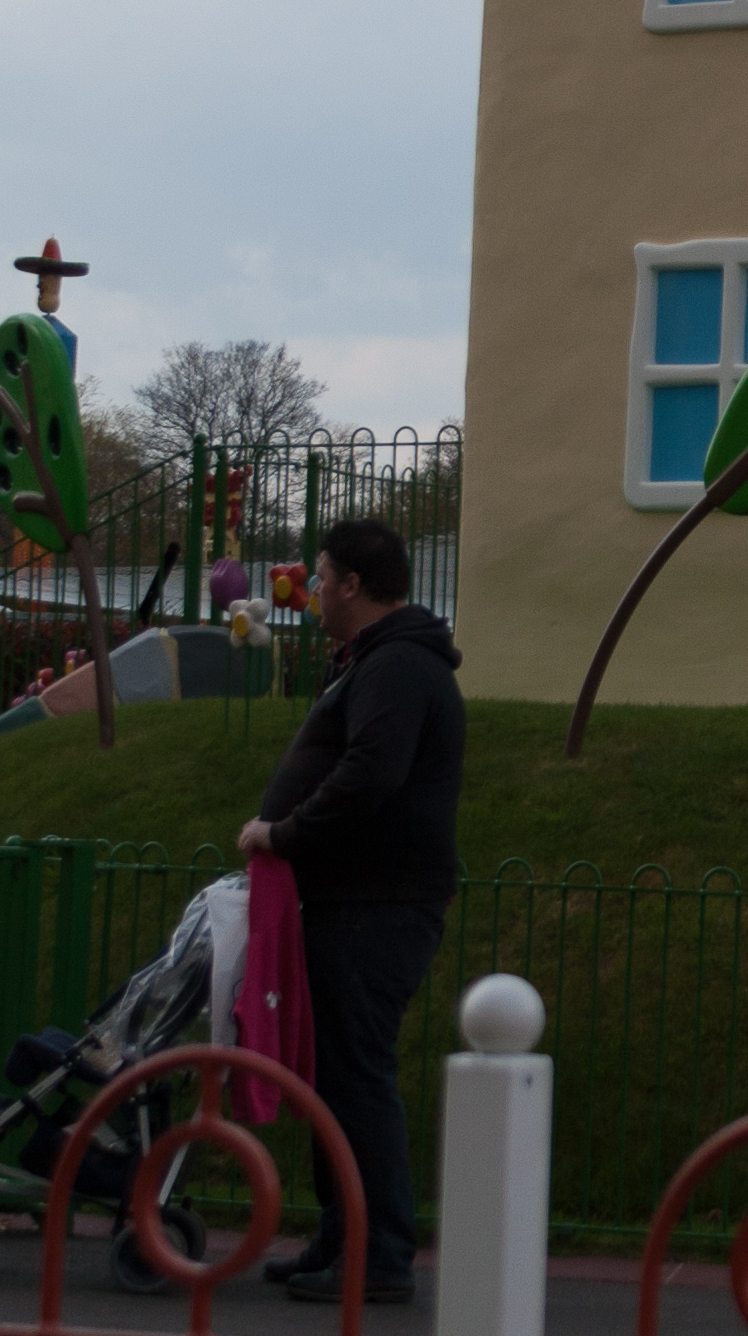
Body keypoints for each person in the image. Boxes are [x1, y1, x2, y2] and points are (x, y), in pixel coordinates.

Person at [236, 518, 465, 1307]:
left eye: (324, 577)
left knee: (358, 1077)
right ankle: (342, 1237)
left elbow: (372, 772)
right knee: (335, 1076)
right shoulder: (378, 659)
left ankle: (381, 1255)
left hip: (378, 902)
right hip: (353, 898)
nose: (315, 593)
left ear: (354, 584)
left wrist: (284, 833)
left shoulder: (397, 664)